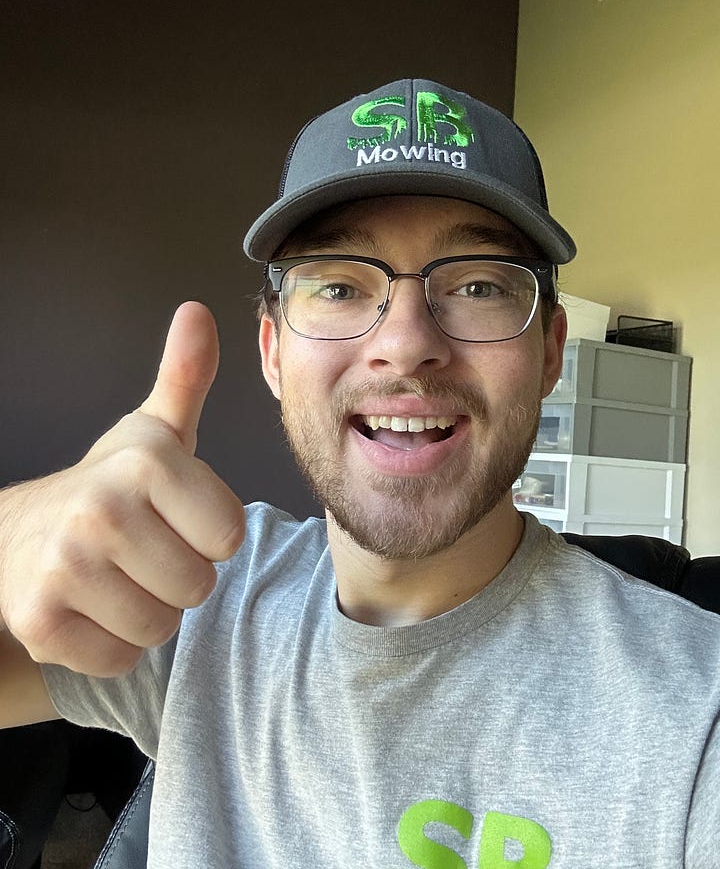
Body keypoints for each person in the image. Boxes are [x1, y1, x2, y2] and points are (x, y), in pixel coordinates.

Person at [0, 79, 718, 868]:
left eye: (478, 285)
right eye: (340, 286)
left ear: (549, 351)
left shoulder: (694, 710)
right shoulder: (191, 606)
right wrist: (14, 531)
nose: (406, 344)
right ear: (273, 353)